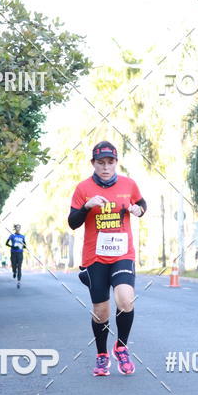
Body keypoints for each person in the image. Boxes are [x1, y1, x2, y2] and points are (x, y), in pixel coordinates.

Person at [68, 141, 147, 376]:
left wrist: (139, 210)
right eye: (100, 163)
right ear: (93, 163)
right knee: (101, 311)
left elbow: (141, 203)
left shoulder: (128, 184)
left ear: (116, 163)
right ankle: (102, 354)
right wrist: (86, 206)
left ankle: (121, 347)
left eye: (110, 162)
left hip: (123, 254)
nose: (105, 167)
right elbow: (73, 222)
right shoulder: (83, 188)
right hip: (95, 258)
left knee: (126, 299)